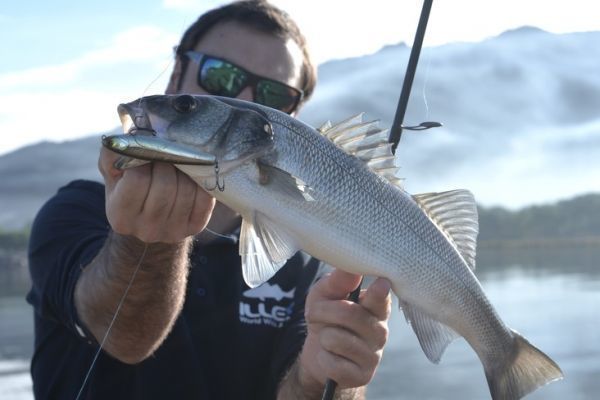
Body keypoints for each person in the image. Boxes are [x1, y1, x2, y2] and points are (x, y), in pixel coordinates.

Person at [27, 1, 392, 399]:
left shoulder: (300, 261)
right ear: (176, 76)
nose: (244, 105)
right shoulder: (74, 213)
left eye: (273, 94)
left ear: (291, 118)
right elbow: (125, 339)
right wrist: (146, 242)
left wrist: (329, 378)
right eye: (220, 77)